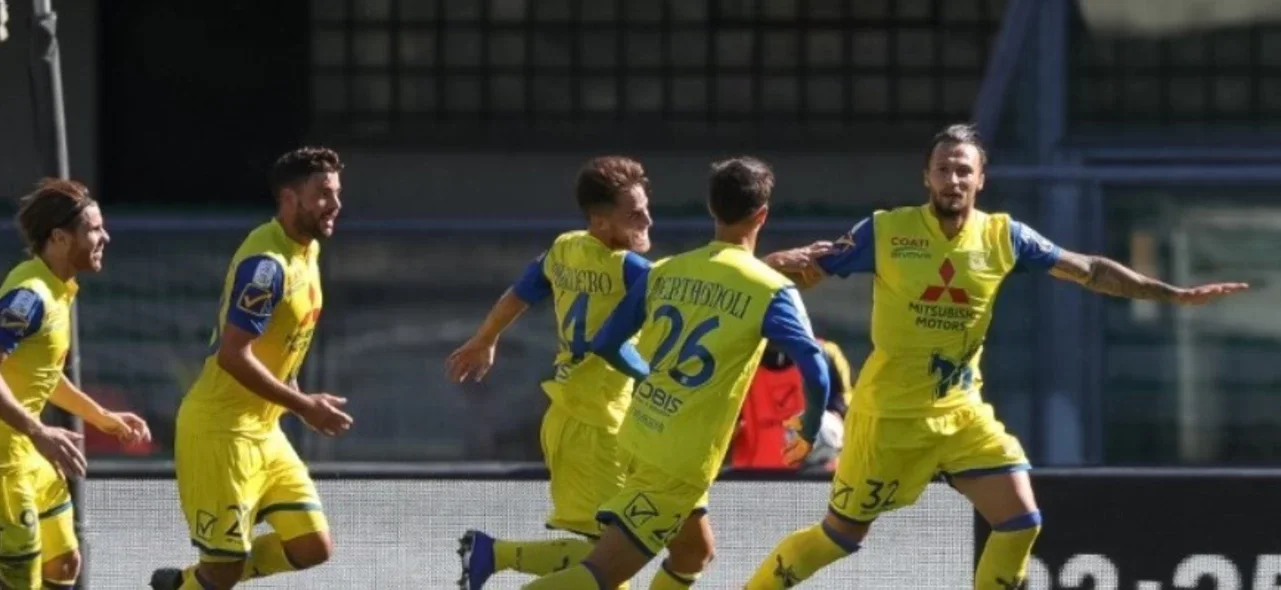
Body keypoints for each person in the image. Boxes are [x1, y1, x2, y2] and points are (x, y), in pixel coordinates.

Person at [745, 123, 1249, 589]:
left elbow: (1090, 269)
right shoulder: (886, 231)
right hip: (890, 420)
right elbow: (808, 267)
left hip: (962, 413)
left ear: (981, 179)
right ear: (926, 176)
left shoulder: (1005, 237)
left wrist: (1172, 294)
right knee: (841, 537)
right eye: (943, 168)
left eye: (964, 169)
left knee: (1021, 521)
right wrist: (768, 265)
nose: (953, 179)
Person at [522, 157, 832, 589]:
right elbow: (816, 367)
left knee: (693, 551)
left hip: (638, 433)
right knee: (600, 574)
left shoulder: (665, 271)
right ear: (762, 214)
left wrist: (649, 378)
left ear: (711, 208)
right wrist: (808, 429)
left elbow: (608, 342)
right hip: (679, 460)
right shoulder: (772, 291)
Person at [150, 147, 354, 590]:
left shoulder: (308, 251)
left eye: (337, 193)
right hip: (220, 434)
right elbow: (233, 355)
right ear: (289, 198)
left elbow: (282, 345)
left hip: (263, 432)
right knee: (221, 570)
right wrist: (303, 406)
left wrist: (297, 397)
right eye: (323, 194)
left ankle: (185, 584)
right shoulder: (266, 266)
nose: (335, 204)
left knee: (313, 547)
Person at [447, 156, 653, 589]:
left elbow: (520, 292)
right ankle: (494, 555)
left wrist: (486, 337)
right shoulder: (627, 268)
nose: (647, 218)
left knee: (612, 560)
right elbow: (689, 288)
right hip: (593, 423)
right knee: (613, 560)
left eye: (646, 207)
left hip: (579, 416)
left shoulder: (565, 247)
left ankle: (491, 553)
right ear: (599, 221)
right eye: (634, 213)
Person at [0, 178, 151, 589]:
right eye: (94, 229)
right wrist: (37, 429)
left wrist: (101, 417)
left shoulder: (58, 291)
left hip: (31, 455)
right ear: (60, 238)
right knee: (21, 577)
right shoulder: (29, 295)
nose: (106, 236)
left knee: (65, 564)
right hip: (5, 465)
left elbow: (41, 376)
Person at [731, 339, 852, 471]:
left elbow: (847, 415)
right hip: (753, 480)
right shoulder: (738, 363)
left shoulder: (825, 353)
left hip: (815, 479)